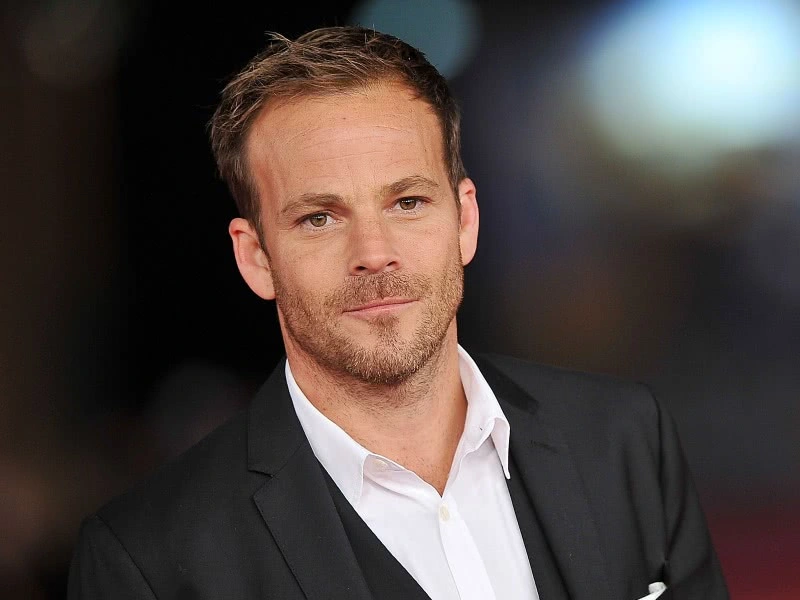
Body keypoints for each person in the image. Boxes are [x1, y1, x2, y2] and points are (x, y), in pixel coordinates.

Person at [67, 26, 729, 600]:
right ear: (256, 257)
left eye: (407, 203)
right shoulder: (150, 560)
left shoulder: (625, 440)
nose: (373, 254)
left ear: (464, 220)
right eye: (319, 218)